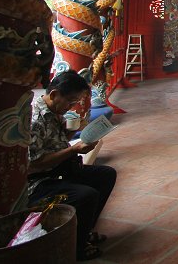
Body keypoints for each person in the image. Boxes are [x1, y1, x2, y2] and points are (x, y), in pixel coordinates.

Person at [28, 70, 117, 261]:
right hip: (40, 182)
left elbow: (58, 140)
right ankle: (77, 246)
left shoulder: (53, 110)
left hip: (61, 169)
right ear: (53, 95)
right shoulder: (35, 119)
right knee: (87, 195)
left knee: (106, 175)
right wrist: (74, 149)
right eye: (70, 102)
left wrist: (80, 130)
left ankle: (83, 232)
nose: (72, 106)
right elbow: (35, 164)